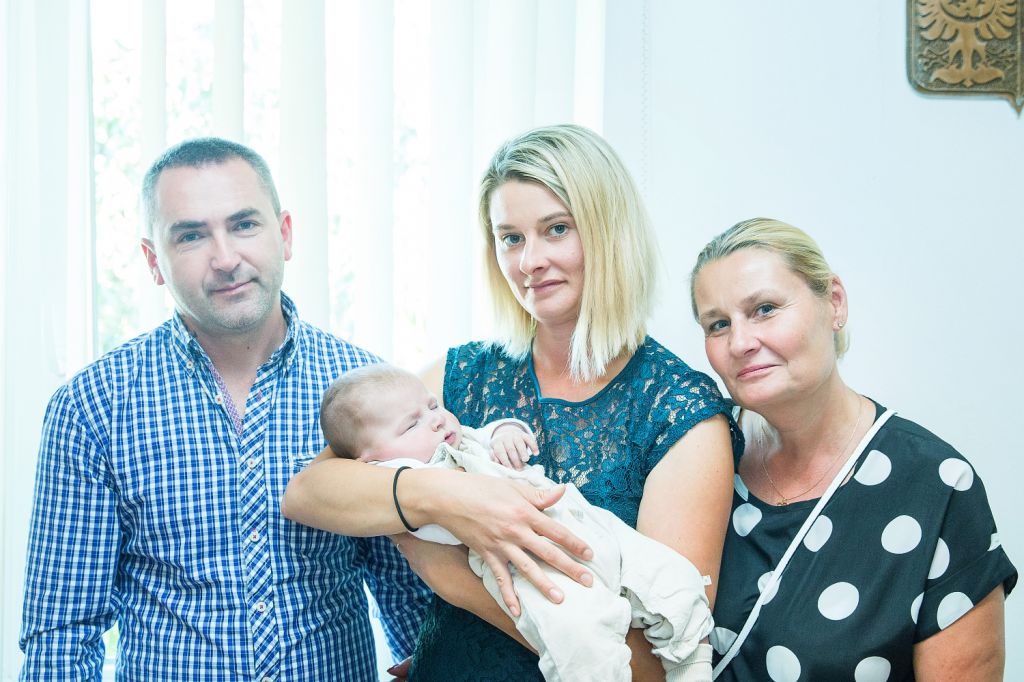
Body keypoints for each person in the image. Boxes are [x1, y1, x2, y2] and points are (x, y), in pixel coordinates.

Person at [283, 123, 739, 681]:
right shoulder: (467, 371)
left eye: (556, 229)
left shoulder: (678, 410)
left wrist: (452, 577)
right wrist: (448, 498)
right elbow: (308, 493)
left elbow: (658, 665)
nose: (529, 262)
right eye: (511, 238)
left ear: (609, 231)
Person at [19, 138, 430, 681]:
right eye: (191, 235)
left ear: (285, 234)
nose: (226, 258)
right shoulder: (93, 405)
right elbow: (61, 636)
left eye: (244, 225)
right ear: (154, 261)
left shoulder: (367, 389)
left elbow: (410, 598)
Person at [689, 217, 1017, 681]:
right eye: (718, 324)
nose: (740, 342)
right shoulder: (694, 448)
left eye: (764, 309)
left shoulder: (936, 486)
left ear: (835, 303)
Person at [319, 363, 715, 682]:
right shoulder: (405, 474)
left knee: (673, 576)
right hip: (531, 568)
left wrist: (507, 432)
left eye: (434, 405)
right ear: (372, 462)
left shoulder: (457, 439)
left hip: (587, 523)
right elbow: (313, 490)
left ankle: (691, 665)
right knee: (578, 635)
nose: (436, 420)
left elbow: (487, 433)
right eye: (412, 424)